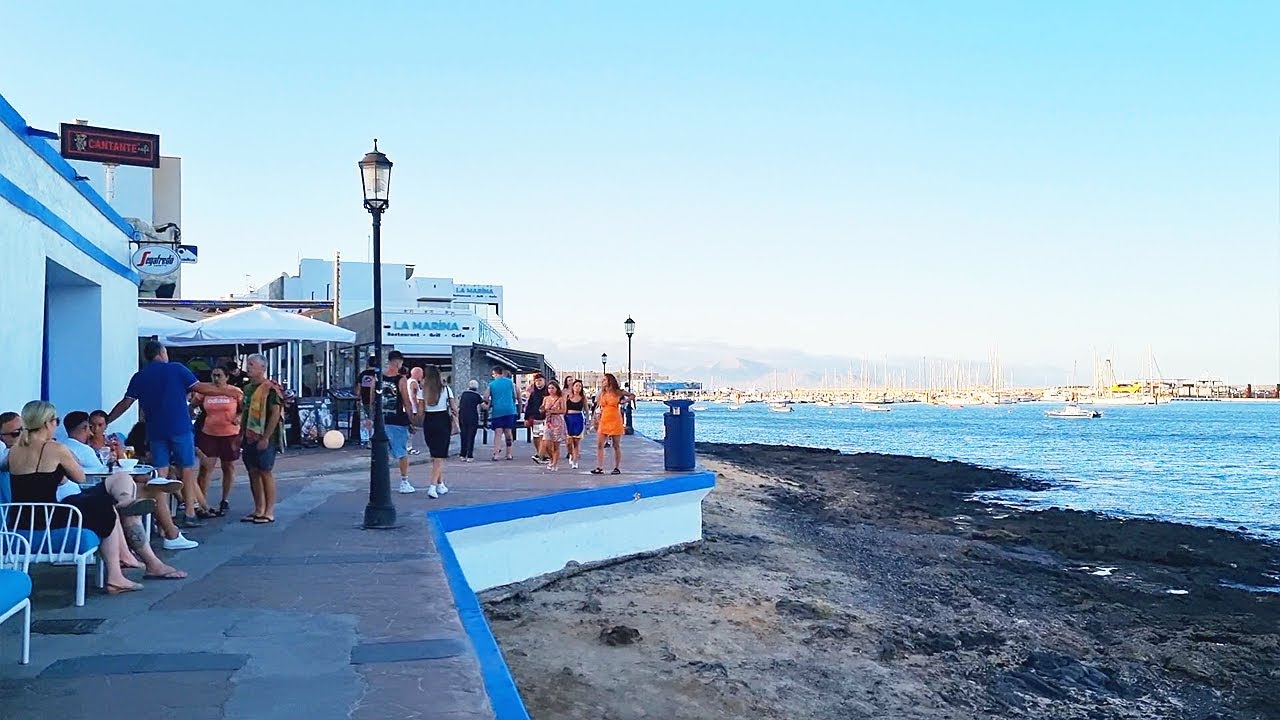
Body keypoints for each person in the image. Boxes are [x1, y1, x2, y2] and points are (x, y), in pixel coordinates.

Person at [8, 402, 145, 594]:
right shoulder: (56, 448)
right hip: (50, 517)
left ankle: (122, 557)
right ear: (47, 423)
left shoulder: (14, 451)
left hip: (20, 519)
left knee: (98, 504)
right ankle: (115, 575)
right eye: (56, 421)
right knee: (103, 505)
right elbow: (80, 478)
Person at [105, 340, 236, 532]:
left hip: (155, 430)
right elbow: (200, 388)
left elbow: (126, 403)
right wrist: (227, 390)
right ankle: (190, 512)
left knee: (161, 475)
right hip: (179, 426)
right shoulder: (176, 369)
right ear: (161, 353)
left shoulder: (140, 376)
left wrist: (108, 419)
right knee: (186, 470)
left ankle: (163, 519)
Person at [59, 410, 187, 580]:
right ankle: (168, 535)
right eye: (91, 426)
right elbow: (84, 476)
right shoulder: (67, 450)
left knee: (127, 484)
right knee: (138, 492)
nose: (94, 430)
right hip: (79, 498)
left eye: (99, 425)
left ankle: (140, 512)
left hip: (83, 494)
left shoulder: (60, 447)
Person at [193, 366, 244, 517]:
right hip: (209, 433)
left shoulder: (235, 392)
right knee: (205, 468)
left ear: (227, 377)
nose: (216, 379)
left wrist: (239, 417)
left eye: (219, 376)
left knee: (228, 466)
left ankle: (224, 499)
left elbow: (244, 408)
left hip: (230, 433)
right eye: (213, 375)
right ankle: (202, 502)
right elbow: (192, 405)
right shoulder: (206, 391)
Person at [240, 354, 283, 523]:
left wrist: (266, 437)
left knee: (265, 471)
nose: (248, 367)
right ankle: (258, 508)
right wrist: (240, 434)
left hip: (266, 435)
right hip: (249, 435)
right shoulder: (247, 388)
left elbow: (275, 414)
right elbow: (245, 413)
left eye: (252, 364)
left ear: (263, 368)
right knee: (252, 471)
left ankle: (269, 511)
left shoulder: (271, 388)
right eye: (248, 364)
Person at [378, 351, 416, 494]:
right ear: (398, 362)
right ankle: (404, 481)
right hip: (397, 420)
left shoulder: (378, 378)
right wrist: (411, 421)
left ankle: (381, 481)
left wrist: (370, 418)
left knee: (382, 453)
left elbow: (371, 400)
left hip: (381, 420)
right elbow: (406, 402)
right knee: (401, 452)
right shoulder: (401, 380)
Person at [417, 365, 454, 498]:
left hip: (429, 421)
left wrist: (415, 422)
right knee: (439, 456)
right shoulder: (446, 389)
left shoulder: (422, 391)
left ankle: (440, 484)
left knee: (435, 455)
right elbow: (454, 407)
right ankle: (432, 486)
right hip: (442, 420)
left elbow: (420, 411)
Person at [592, 373, 636, 475]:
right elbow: (598, 406)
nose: (602, 382)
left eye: (604, 380)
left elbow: (632, 395)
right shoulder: (602, 392)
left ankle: (617, 467)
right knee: (600, 444)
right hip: (604, 418)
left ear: (610, 381)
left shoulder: (618, 392)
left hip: (614, 418)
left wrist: (624, 401)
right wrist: (595, 418)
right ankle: (599, 467)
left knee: (616, 445)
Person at [485, 367, 519, 461]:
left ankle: (496, 454)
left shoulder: (491, 384)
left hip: (497, 411)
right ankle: (509, 454)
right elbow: (515, 395)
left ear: (495, 374)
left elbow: (486, 397)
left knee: (498, 433)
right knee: (508, 432)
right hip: (509, 410)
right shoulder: (510, 383)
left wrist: (488, 403)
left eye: (493, 374)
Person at [540, 380, 568, 472]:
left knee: (556, 445)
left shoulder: (560, 399)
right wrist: (542, 410)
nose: (550, 390)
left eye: (552, 388)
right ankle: (551, 458)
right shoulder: (546, 398)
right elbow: (542, 408)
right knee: (546, 443)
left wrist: (552, 411)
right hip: (548, 422)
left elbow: (563, 410)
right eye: (549, 388)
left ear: (556, 389)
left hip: (557, 422)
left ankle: (555, 463)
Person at [456, 380, 484, 462]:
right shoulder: (477, 396)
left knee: (463, 435)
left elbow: (458, 404)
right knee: (471, 436)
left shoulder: (463, 394)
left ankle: (462, 454)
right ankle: (470, 455)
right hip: (473, 417)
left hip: (462, 416)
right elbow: (484, 406)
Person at [523, 373, 549, 463]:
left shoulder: (548, 392)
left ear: (544, 381)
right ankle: (540, 453)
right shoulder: (533, 394)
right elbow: (529, 406)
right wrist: (526, 418)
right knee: (536, 437)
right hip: (535, 418)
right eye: (536, 381)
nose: (538, 382)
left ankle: (541, 455)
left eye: (540, 380)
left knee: (543, 436)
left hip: (545, 418)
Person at [564, 379, 588, 470]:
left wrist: (588, 422)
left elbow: (586, 409)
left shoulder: (582, 397)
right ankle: (571, 453)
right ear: (573, 387)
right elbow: (564, 409)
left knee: (576, 442)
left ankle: (575, 461)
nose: (578, 388)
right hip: (568, 418)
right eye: (576, 386)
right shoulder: (568, 397)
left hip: (578, 418)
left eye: (580, 386)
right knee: (568, 442)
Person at [356, 354, 378, 449]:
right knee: (377, 420)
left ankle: (369, 439)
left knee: (368, 419)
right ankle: (375, 439)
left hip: (365, 400)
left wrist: (358, 399)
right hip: (377, 400)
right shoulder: (378, 374)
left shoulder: (363, 374)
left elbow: (358, 389)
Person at [406, 366, 423, 456]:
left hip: (409, 408)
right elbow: (413, 396)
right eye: (421, 373)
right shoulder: (414, 383)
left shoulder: (408, 381)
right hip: (413, 409)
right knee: (412, 428)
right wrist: (417, 407)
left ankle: (408, 446)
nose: (422, 375)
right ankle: (409, 447)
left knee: (410, 428)